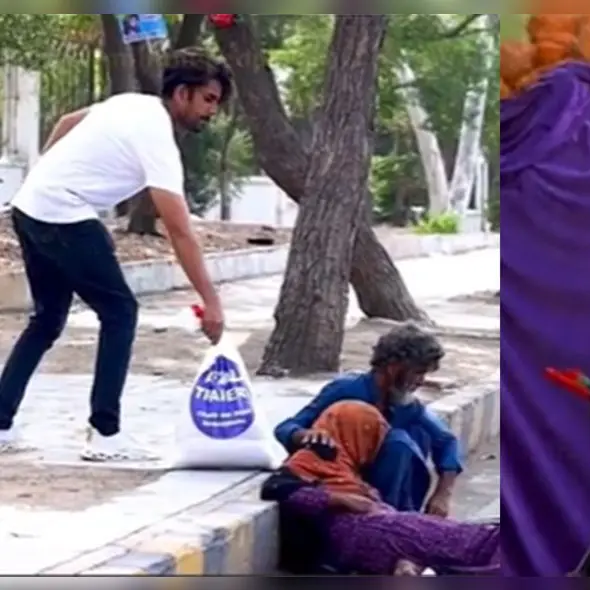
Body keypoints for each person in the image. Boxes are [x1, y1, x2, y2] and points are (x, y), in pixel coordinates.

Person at [0, 48, 231, 461]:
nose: (212, 112)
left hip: (30, 206)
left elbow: (66, 122)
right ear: (182, 94)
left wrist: (43, 177)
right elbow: (179, 229)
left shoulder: (130, 103)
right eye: (208, 100)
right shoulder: (158, 137)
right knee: (120, 312)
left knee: (48, 319)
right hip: (60, 212)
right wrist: (211, 302)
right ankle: (105, 433)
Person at [263, 401, 499, 576]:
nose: (374, 445)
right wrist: (338, 499)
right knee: (474, 545)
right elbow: (278, 489)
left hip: (387, 529)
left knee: (468, 539)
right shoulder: (314, 458)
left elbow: (445, 440)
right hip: (369, 534)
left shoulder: (344, 467)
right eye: (371, 435)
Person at [274, 323, 462, 514]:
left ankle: (397, 515)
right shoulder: (346, 390)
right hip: (339, 484)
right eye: (418, 372)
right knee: (398, 443)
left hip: (387, 494)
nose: (421, 381)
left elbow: (447, 441)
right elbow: (286, 427)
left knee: (407, 439)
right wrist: (305, 435)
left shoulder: (407, 405)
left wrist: (442, 495)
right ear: (393, 367)